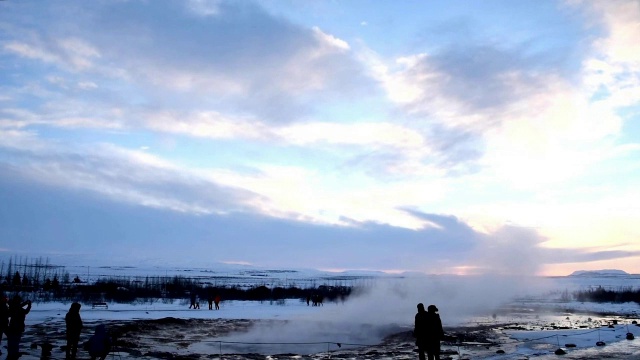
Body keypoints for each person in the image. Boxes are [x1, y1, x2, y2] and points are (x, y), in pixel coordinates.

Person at [6, 296, 31, 360]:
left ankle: (11, 355)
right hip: (17, 328)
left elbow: (11, 311)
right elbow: (25, 311)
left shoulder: (13, 308)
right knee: (15, 343)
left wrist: (27, 304)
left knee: (11, 343)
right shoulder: (18, 309)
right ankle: (13, 355)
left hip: (12, 328)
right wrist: (28, 305)